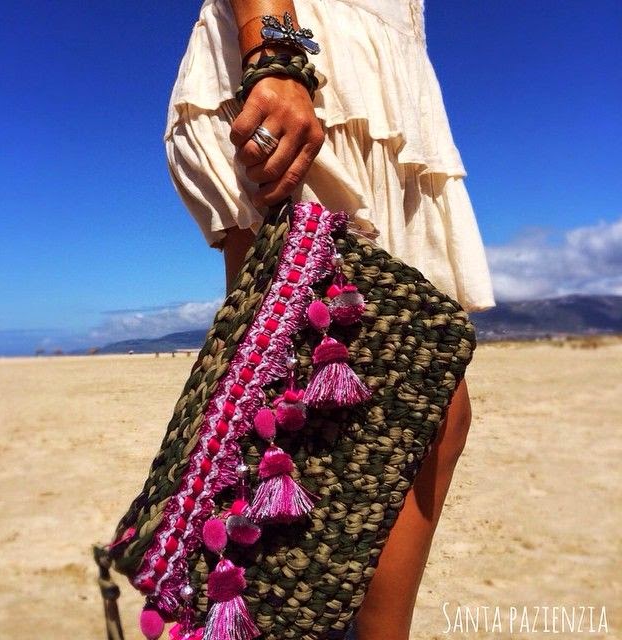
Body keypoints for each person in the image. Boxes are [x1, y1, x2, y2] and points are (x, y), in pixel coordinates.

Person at [164, 1, 495, 638]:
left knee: (420, 418)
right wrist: (276, 55)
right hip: (313, 61)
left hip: (388, 83)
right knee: (312, 412)